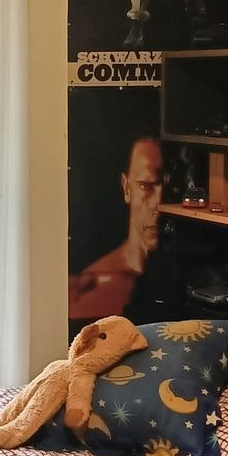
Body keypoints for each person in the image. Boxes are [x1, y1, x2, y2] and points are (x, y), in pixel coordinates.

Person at [69, 138, 163, 324]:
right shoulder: (91, 288)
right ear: (127, 188)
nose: (158, 204)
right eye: (145, 186)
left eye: (171, 188)